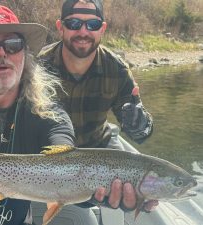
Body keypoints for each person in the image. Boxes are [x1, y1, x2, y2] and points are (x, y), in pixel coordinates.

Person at [0, 4, 140, 225]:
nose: (1, 53)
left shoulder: (49, 113)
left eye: (13, 44)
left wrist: (103, 192)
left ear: (25, 56)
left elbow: (66, 163)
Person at [38, 0, 157, 213]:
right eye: (74, 23)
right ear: (60, 27)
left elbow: (141, 134)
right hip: (51, 158)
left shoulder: (117, 70)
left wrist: (139, 124)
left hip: (100, 149)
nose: (83, 31)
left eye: (92, 25)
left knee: (134, 197)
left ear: (102, 29)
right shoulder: (39, 67)